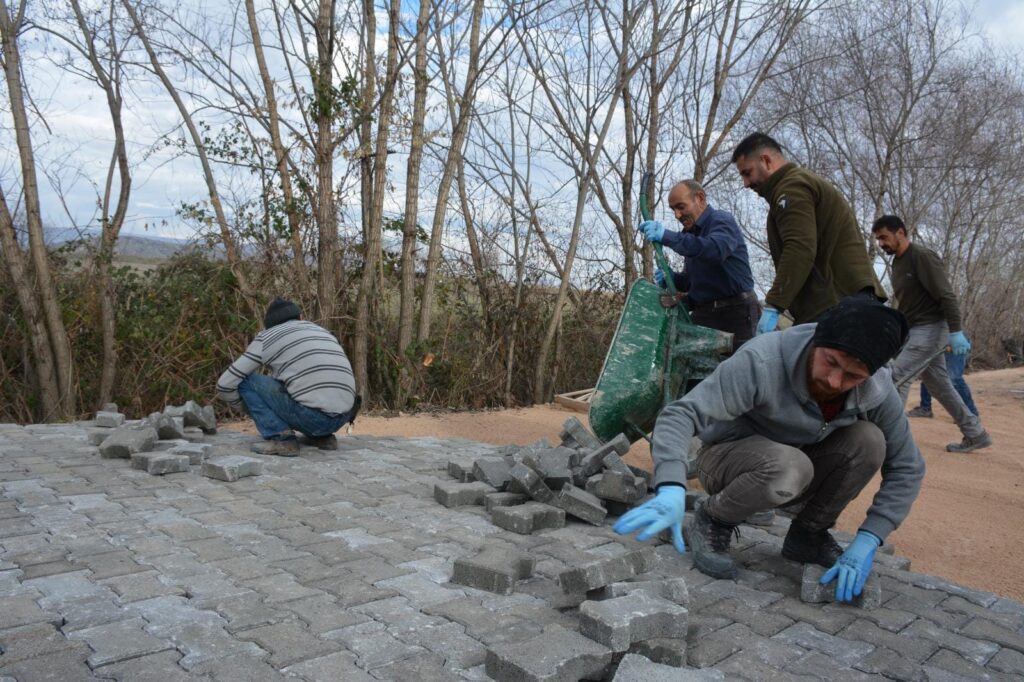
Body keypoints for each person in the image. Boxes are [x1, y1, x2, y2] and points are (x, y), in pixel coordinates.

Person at [613, 296, 923, 604]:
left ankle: (808, 535)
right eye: (831, 361)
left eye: (853, 376)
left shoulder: (877, 389)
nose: (834, 380)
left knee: (869, 440)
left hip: (797, 465)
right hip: (727, 459)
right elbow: (681, 414)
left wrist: (869, 538)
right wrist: (670, 485)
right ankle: (713, 519)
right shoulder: (764, 361)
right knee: (790, 466)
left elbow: (907, 466)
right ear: (817, 340)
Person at [731, 132, 886, 332]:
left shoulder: (791, 188)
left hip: (837, 304)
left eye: (747, 173)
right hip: (841, 302)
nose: (745, 183)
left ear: (766, 161)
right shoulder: (795, 184)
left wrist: (774, 304)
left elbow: (799, 248)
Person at [871, 215, 992, 453]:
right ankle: (975, 433)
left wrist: (956, 331)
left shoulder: (921, 257)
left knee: (897, 377)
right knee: (939, 385)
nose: (881, 243)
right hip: (915, 330)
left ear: (901, 233)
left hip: (931, 328)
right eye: (877, 239)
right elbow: (907, 301)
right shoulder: (898, 261)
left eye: (884, 237)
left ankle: (891, 441)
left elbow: (946, 295)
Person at [216, 298, 359, 455]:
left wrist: (249, 408)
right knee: (303, 388)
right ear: (300, 317)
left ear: (270, 325)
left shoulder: (268, 336)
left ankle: (282, 439)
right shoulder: (323, 332)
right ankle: (322, 438)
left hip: (312, 419)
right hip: (341, 418)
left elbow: (225, 384)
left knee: (246, 382)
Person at [639, 179, 760, 349]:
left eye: (681, 207)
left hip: (735, 315)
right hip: (704, 316)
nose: (677, 215)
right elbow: (693, 281)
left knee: (737, 372)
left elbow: (715, 250)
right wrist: (673, 278)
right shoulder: (691, 235)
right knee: (698, 373)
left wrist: (666, 236)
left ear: (700, 198)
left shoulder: (721, 221)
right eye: (673, 209)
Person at [908, 350, 979, 418]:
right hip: (936, 344)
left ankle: (970, 412)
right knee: (929, 374)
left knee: (954, 378)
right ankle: (925, 408)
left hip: (953, 344)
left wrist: (955, 337)